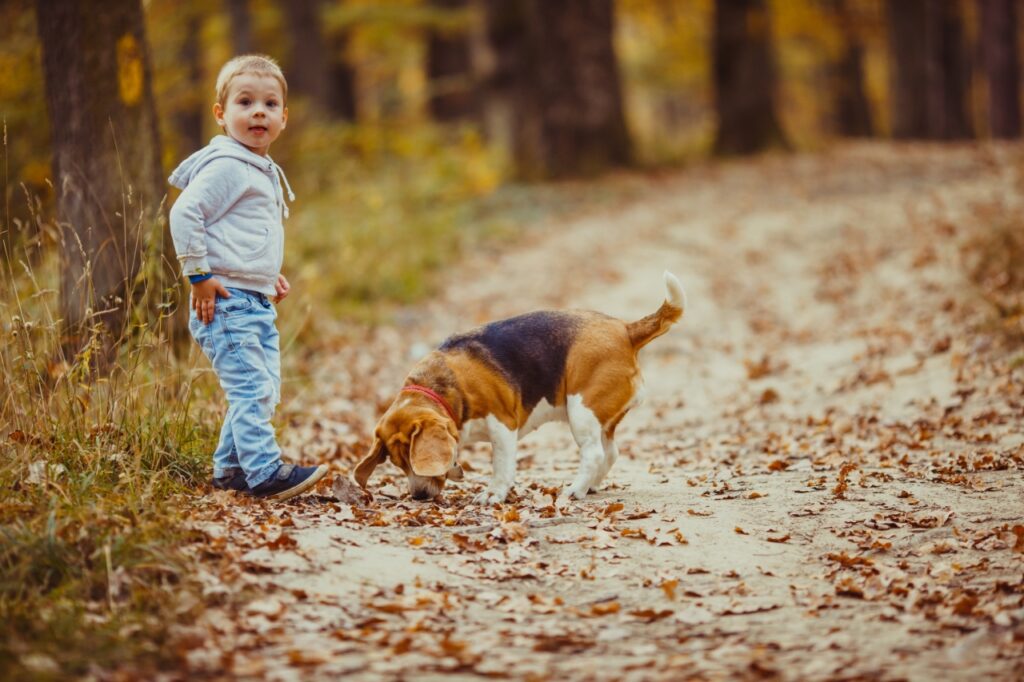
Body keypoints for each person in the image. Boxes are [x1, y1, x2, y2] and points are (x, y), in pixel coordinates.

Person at [168, 54, 326, 501]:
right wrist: (198, 275)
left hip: (249, 296)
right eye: (245, 102)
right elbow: (184, 213)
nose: (259, 111)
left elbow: (242, 233)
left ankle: (231, 468)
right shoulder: (227, 165)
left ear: (283, 118)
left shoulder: (257, 168)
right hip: (223, 302)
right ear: (221, 115)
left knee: (263, 389)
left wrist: (265, 275)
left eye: (270, 104)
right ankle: (264, 473)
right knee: (252, 388)